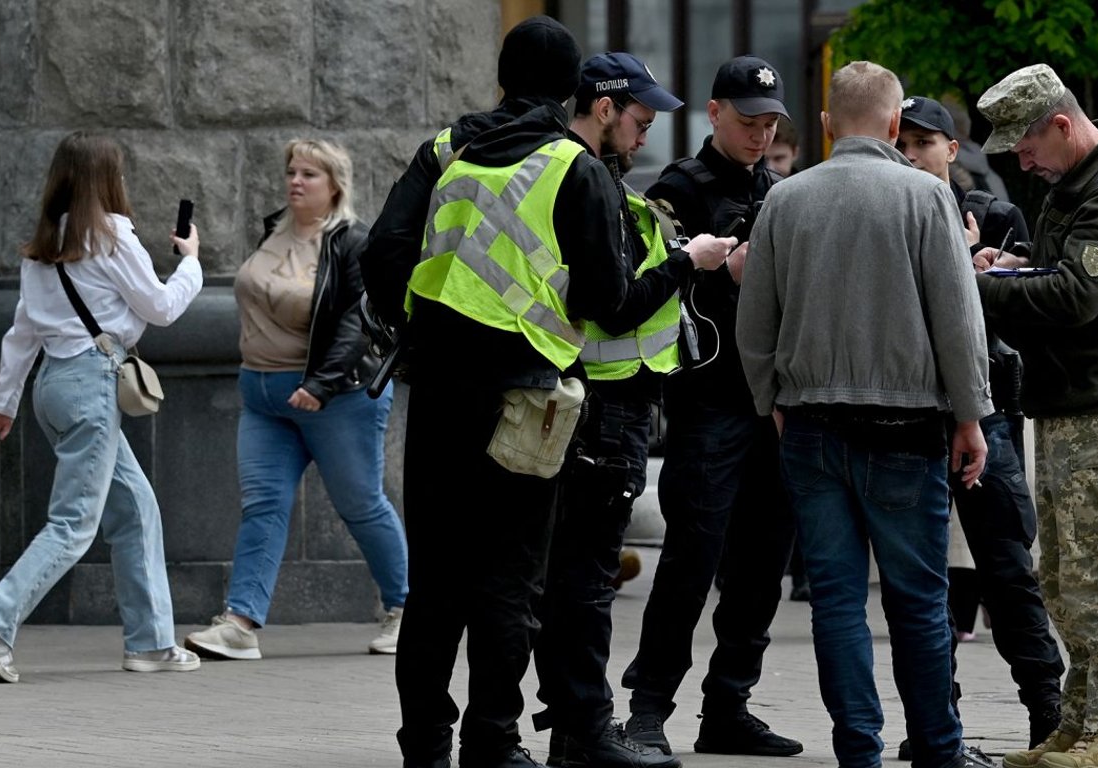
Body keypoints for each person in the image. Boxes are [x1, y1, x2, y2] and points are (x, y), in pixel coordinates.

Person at [361, 17, 631, 768]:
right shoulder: (574, 167)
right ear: (574, 90)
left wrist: (419, 323)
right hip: (529, 400)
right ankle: (492, 739)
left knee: (436, 579)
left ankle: (423, 745)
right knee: (510, 579)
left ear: (502, 80)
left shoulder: (447, 149)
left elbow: (383, 252)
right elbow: (608, 299)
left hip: (441, 391)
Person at [736, 61, 995, 768]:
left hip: (811, 424)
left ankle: (858, 749)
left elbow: (754, 325)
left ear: (824, 125)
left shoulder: (786, 200)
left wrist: (772, 401)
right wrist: (971, 416)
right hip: (907, 427)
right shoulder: (926, 198)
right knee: (917, 602)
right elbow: (957, 320)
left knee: (838, 602)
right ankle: (938, 749)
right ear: (892, 125)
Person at [535, 52, 736, 768]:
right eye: (639, 117)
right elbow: (615, 306)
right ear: (601, 106)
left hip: (594, 402)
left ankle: (575, 726)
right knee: (585, 580)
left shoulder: (583, 172)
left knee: (569, 577)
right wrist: (691, 263)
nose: (647, 132)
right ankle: (585, 734)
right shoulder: (583, 174)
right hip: (603, 405)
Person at [972, 63, 1098, 768]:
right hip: (1070, 402)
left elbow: (1074, 299)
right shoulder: (1076, 181)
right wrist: (1014, 265)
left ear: (1061, 124)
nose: (1019, 163)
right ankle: (1080, 725)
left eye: (1024, 148)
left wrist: (982, 286)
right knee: (1064, 576)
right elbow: (1058, 275)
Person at [0, 130, 204, 683]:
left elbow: (22, 332)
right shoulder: (114, 237)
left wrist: (4, 402)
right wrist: (191, 261)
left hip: (52, 386)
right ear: (108, 180)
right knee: (74, 523)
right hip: (93, 385)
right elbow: (163, 307)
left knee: (136, 507)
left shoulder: (47, 242)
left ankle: (151, 643)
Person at [620, 55, 802, 760]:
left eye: (771, 123)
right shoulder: (676, 192)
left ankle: (728, 704)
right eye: (749, 121)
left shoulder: (784, 192)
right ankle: (648, 710)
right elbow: (648, 296)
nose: (761, 135)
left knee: (763, 564)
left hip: (773, 406)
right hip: (709, 404)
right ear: (715, 113)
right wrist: (720, 275)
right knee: (691, 560)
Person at [182, 139, 408, 661]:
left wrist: (321, 384)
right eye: (291, 171)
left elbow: (358, 320)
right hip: (263, 397)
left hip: (335, 399)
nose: (295, 181)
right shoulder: (274, 231)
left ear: (335, 186)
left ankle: (405, 609)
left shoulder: (351, 241)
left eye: (309, 174)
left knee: (360, 504)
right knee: (262, 506)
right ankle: (239, 623)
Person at [897, 95, 1065, 752]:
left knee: (1008, 571)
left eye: (922, 143)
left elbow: (1025, 314)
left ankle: (1047, 715)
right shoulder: (887, 215)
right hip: (908, 414)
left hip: (985, 413)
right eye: (901, 142)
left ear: (951, 148)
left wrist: (973, 271)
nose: (911, 155)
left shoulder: (992, 215)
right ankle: (935, 728)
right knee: (923, 583)